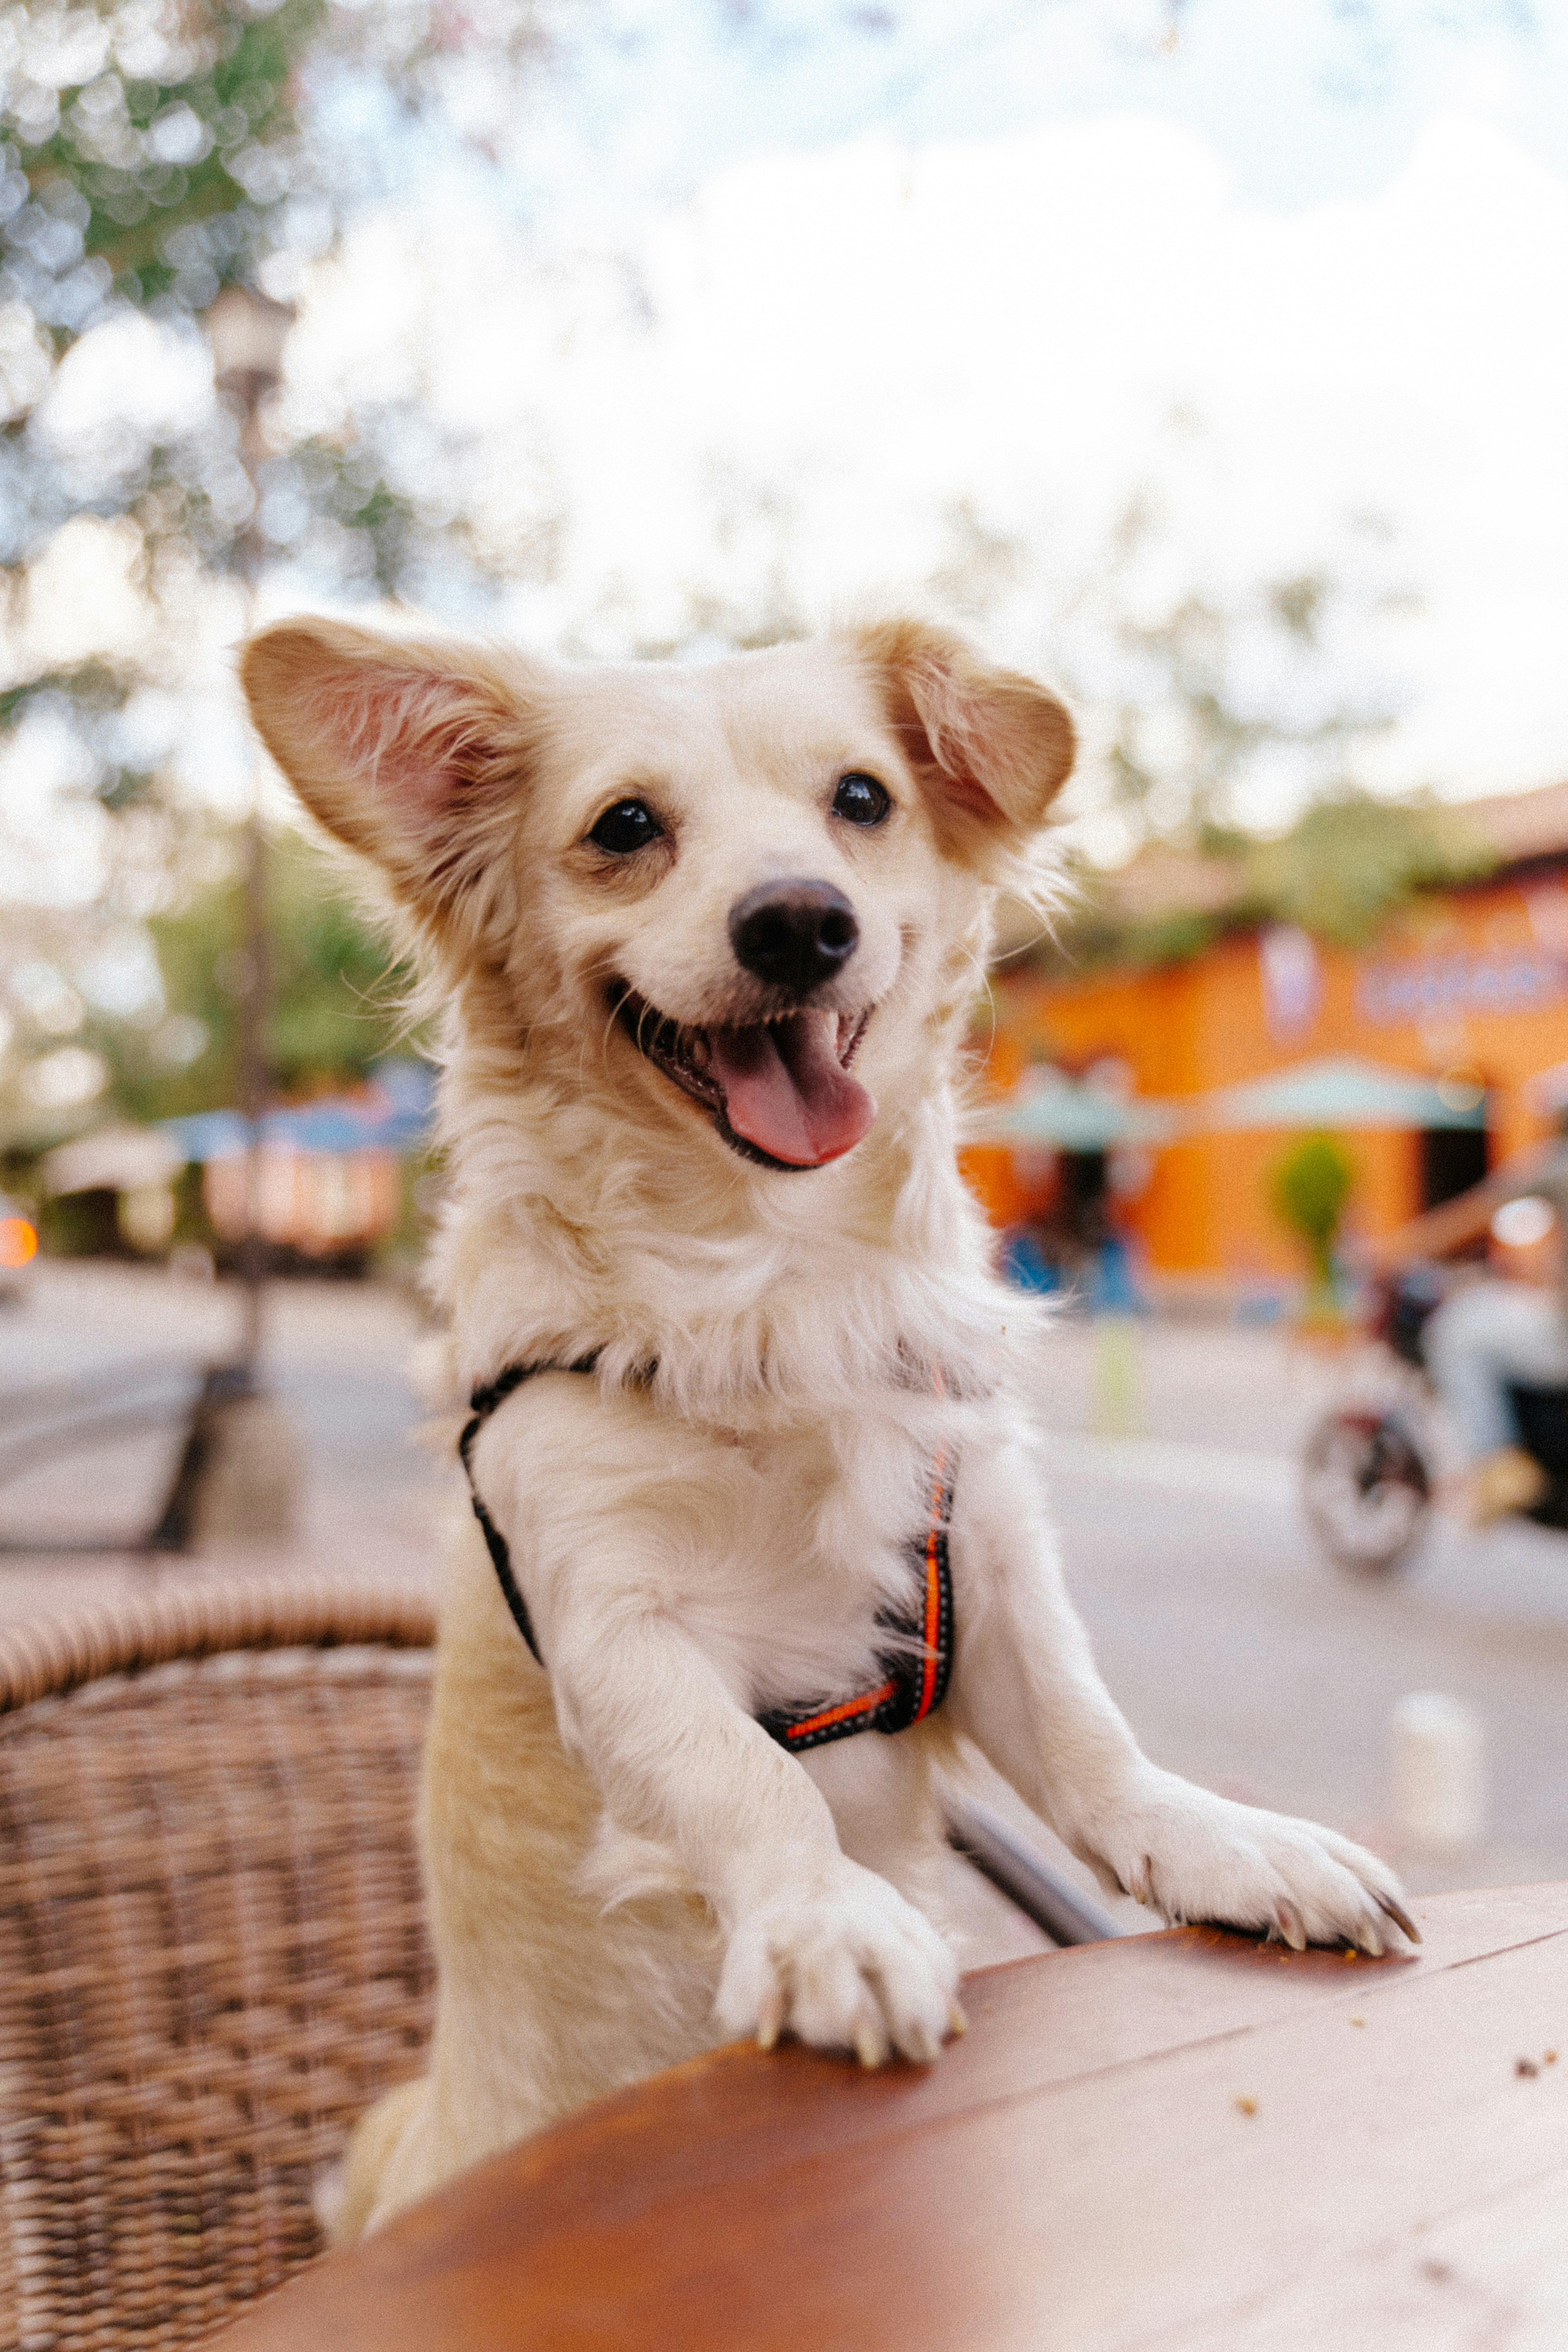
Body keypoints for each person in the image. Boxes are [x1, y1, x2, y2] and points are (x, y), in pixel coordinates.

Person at [1371, 1133, 1568, 1523]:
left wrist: (1391, 1252)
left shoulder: (1556, 1161)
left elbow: (1476, 1210)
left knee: (1454, 1330)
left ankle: (1497, 1465)